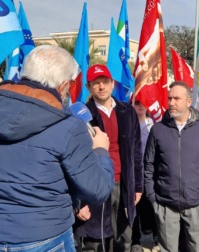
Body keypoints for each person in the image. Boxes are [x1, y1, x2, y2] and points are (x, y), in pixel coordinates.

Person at [0, 45, 114, 251]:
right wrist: (100, 151)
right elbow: (98, 190)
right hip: (45, 238)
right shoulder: (67, 126)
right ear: (63, 86)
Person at [144, 81, 199, 251]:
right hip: (165, 205)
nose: (171, 102)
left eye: (176, 98)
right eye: (170, 98)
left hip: (197, 205)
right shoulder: (157, 130)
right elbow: (148, 165)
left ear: (188, 102)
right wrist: (152, 197)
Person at [74, 64, 143, 252]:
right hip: (95, 186)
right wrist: (78, 201)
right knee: (96, 242)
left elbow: (136, 151)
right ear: (88, 87)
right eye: (96, 83)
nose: (101, 87)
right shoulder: (81, 116)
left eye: (105, 82)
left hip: (124, 183)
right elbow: (74, 160)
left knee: (124, 237)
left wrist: (137, 186)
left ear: (112, 84)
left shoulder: (127, 111)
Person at [130, 100, 159, 250]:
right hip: (133, 173)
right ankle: (135, 240)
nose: (141, 105)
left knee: (152, 204)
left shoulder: (154, 125)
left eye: (143, 101)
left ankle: (156, 238)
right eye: (137, 102)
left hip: (150, 173)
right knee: (133, 207)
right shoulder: (128, 125)